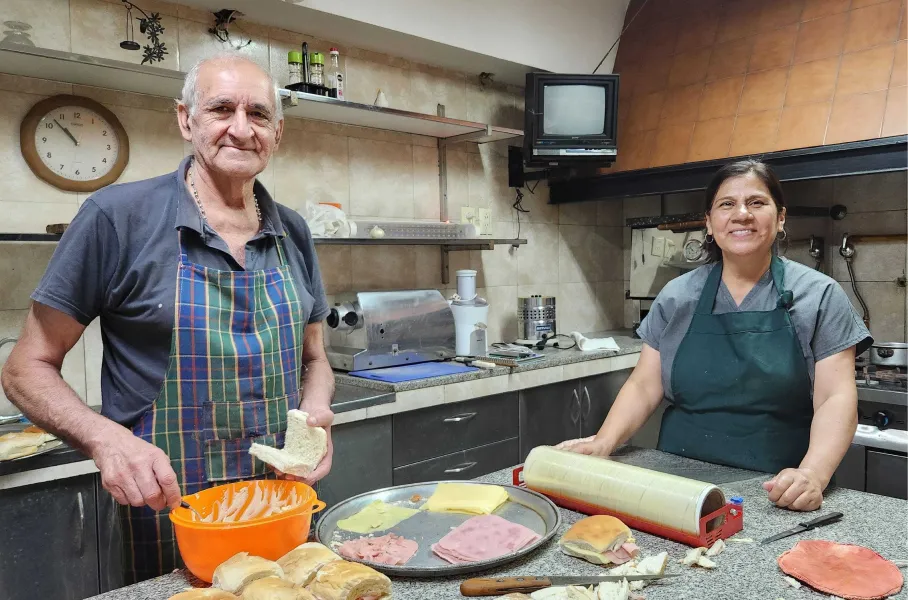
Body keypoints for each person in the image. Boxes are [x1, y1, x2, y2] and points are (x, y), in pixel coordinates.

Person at [0, 52, 335, 582]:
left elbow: (315, 358)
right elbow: (25, 367)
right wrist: (104, 438)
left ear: (278, 132)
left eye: (259, 114)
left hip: (283, 505)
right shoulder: (118, 217)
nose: (241, 129)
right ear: (186, 119)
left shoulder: (291, 231)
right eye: (221, 109)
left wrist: (315, 412)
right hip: (166, 513)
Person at [565, 160, 871, 512]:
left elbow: (835, 397)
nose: (742, 214)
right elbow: (644, 385)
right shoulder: (678, 295)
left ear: (781, 217)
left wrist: (813, 475)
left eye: (757, 203)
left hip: (778, 488)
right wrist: (604, 442)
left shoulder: (818, 295)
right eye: (727, 204)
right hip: (677, 487)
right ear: (709, 222)